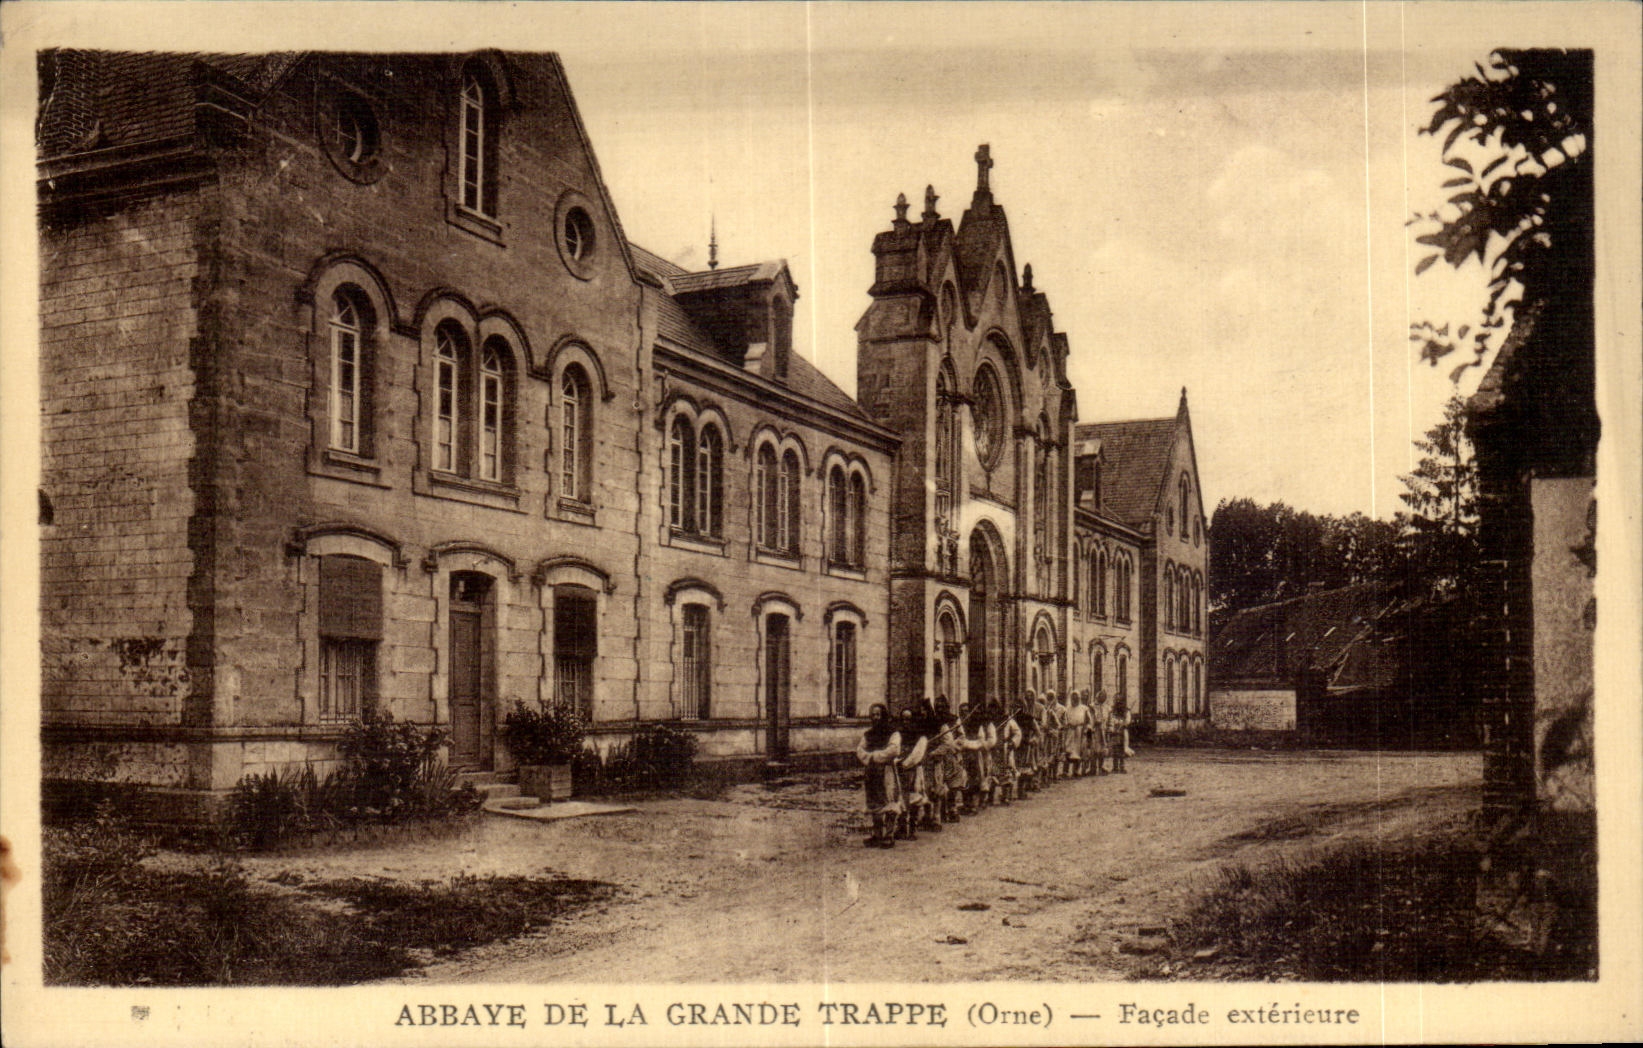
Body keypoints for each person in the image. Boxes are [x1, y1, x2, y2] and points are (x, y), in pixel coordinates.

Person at [856, 703, 903, 846]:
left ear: (883, 715)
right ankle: (877, 835)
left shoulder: (893, 733)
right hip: (872, 772)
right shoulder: (868, 734)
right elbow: (860, 750)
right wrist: (869, 758)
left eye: (878, 714)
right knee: (874, 802)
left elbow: (894, 750)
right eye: (873, 715)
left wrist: (875, 756)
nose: (875, 717)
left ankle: (889, 835)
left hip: (887, 771)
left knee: (889, 801)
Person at [895, 706, 929, 840]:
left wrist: (905, 763)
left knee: (914, 798)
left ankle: (912, 829)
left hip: (913, 770)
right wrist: (897, 761)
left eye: (908, 719)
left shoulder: (920, 736)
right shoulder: (897, 734)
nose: (905, 722)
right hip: (899, 770)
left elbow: (917, 754)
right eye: (903, 719)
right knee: (900, 798)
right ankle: (902, 827)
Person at [931, 696, 965, 822]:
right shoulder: (933, 721)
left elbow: (962, 737)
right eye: (937, 707)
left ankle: (952, 808)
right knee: (939, 783)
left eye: (942, 707)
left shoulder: (955, 720)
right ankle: (940, 812)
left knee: (953, 784)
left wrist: (953, 747)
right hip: (939, 757)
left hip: (953, 755)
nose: (940, 709)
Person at [957, 701, 993, 815]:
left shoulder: (977, 725)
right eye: (962, 712)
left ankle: (973, 806)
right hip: (961, 755)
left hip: (974, 755)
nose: (965, 714)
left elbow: (981, 741)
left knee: (974, 780)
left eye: (967, 711)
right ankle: (966, 804)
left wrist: (967, 744)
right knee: (963, 780)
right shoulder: (958, 725)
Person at [995, 699, 1022, 804]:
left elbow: (1017, 732)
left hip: (1006, 748)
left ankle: (1007, 795)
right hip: (995, 749)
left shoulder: (1009, 721)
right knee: (995, 771)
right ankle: (990, 797)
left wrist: (1013, 742)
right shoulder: (992, 722)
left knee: (1007, 770)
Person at [1064, 689, 1090, 776]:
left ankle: (1076, 770)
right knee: (1068, 750)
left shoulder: (1084, 708)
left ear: (1079, 698)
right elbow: (1065, 720)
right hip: (1070, 731)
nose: (1074, 699)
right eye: (1073, 697)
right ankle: (1065, 771)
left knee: (1079, 750)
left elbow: (1088, 721)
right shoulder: (1067, 709)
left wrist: (1086, 729)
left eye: (1076, 698)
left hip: (1080, 731)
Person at [1088, 688, 1110, 775]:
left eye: (1104, 697)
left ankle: (1101, 767)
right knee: (1093, 749)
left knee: (1102, 749)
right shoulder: (1092, 706)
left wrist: (1109, 727)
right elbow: (1089, 718)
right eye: (1101, 696)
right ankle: (1092, 768)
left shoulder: (1107, 707)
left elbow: (1109, 719)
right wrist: (1092, 726)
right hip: (1094, 730)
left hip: (1103, 731)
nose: (1103, 698)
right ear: (1098, 696)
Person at [1109, 695, 1132, 774]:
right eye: (1116, 701)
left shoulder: (1126, 711)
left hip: (1123, 732)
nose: (1118, 703)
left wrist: (1123, 724)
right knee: (1115, 748)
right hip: (1115, 732)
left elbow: (1128, 721)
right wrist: (1112, 727)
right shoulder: (1112, 711)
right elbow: (1111, 719)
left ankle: (1122, 767)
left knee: (1122, 749)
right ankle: (1115, 767)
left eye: (1120, 701)